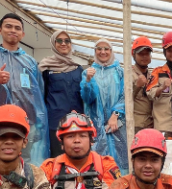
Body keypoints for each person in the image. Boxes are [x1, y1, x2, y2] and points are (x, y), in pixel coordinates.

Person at [0, 14, 50, 165]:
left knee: (25, 160)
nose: (13, 30)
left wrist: (38, 121)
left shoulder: (30, 62)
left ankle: (23, 187)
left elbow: (39, 94)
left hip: (26, 121)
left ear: (22, 34)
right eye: (8, 26)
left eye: (17, 28)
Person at [80, 39, 129, 174]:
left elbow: (125, 96)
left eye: (106, 49)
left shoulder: (119, 72)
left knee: (119, 163)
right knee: (97, 162)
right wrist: (88, 81)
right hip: (96, 126)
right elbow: (87, 98)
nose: (103, 52)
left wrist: (116, 114)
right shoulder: (88, 72)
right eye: (99, 48)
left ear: (111, 51)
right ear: (95, 51)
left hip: (117, 125)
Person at [39, 29, 85, 157]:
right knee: (58, 159)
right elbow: (40, 95)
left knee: (77, 157)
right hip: (55, 122)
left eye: (67, 41)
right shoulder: (46, 68)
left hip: (77, 122)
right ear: (54, 43)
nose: (63, 43)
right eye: (59, 40)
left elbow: (84, 95)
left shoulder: (78, 68)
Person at [130, 36, 154, 134]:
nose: (144, 56)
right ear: (133, 55)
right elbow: (122, 101)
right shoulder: (128, 74)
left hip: (151, 125)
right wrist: (137, 86)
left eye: (147, 54)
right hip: (136, 126)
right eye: (141, 54)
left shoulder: (152, 75)